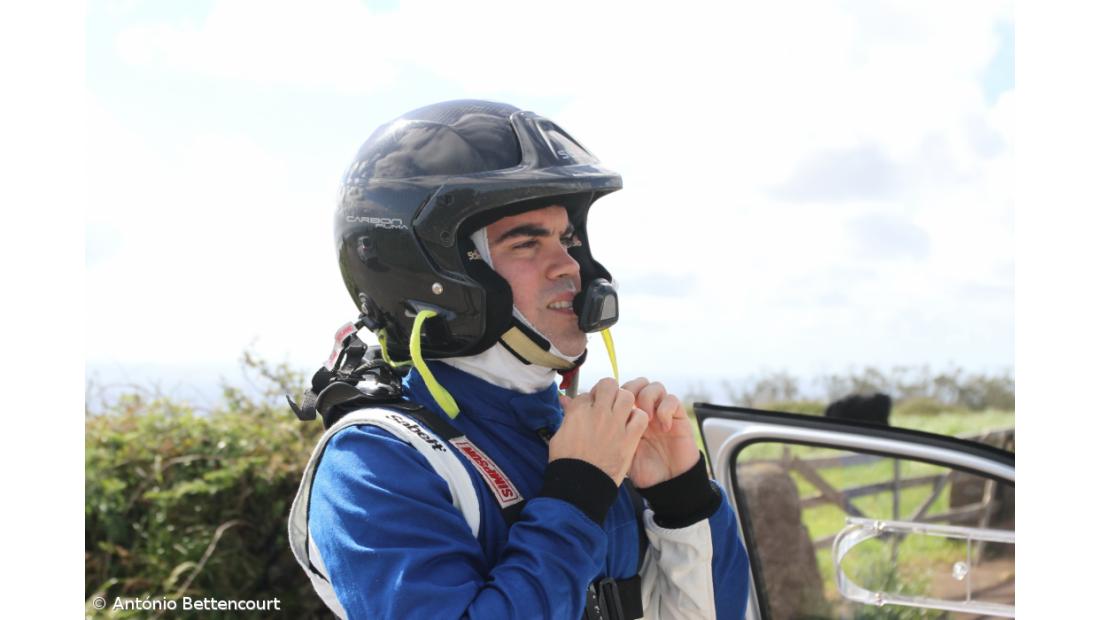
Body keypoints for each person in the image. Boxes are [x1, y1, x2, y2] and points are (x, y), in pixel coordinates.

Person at [287, 100, 750, 619]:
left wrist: (682, 499)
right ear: (436, 276)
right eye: (527, 243)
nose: (569, 266)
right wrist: (577, 494)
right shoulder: (376, 462)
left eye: (568, 239)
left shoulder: (592, 439)